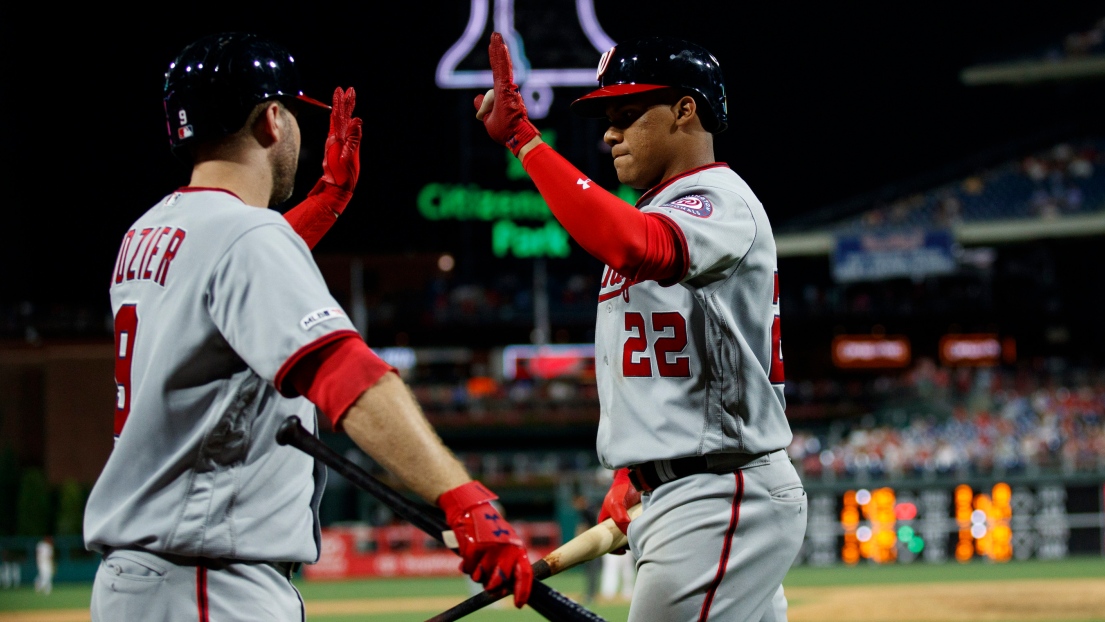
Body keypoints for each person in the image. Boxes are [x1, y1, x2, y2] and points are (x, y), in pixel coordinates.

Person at [84, 32, 532, 621]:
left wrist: (326, 198)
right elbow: (348, 375)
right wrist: (463, 499)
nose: (298, 127)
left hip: (145, 580)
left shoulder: (146, 233)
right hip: (207, 584)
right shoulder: (248, 237)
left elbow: (223, 285)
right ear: (271, 119)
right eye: (293, 112)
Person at [475, 33, 807, 621]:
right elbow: (668, 374)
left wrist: (526, 141)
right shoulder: (661, 211)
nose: (609, 133)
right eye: (609, 118)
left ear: (686, 110)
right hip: (685, 491)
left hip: (718, 493)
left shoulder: (716, 199)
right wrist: (638, 473)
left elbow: (634, 244)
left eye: (627, 115)